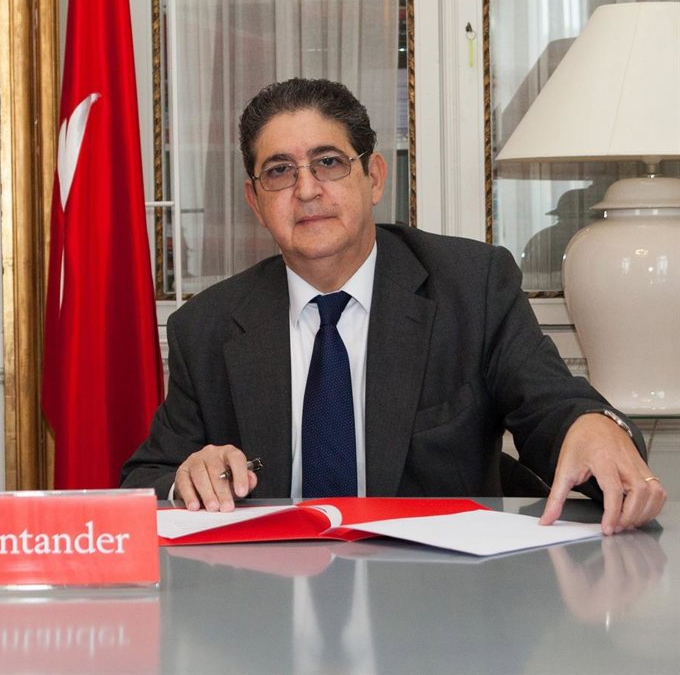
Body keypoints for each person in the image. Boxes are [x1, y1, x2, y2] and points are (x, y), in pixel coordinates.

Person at [121, 78, 666, 534]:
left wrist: (589, 424)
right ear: (256, 202)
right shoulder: (209, 326)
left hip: (437, 595)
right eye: (280, 171)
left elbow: (552, 406)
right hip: (272, 600)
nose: (306, 190)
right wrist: (185, 480)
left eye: (328, 162)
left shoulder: (470, 287)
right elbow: (144, 480)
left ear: (374, 177)